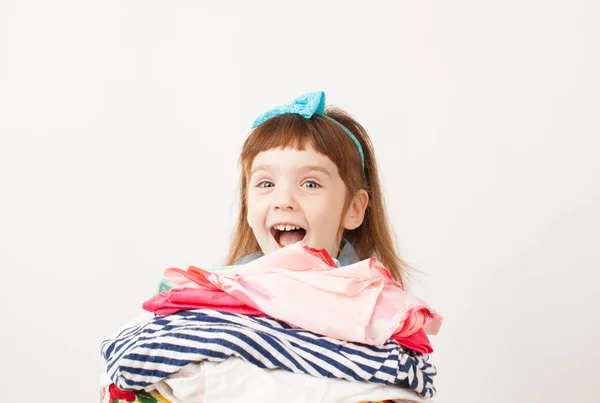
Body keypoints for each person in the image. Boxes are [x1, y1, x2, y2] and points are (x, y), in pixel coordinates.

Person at [225, 90, 411, 288]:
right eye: (267, 184)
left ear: (354, 209)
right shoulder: (224, 294)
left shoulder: (379, 306)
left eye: (310, 184)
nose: (283, 201)